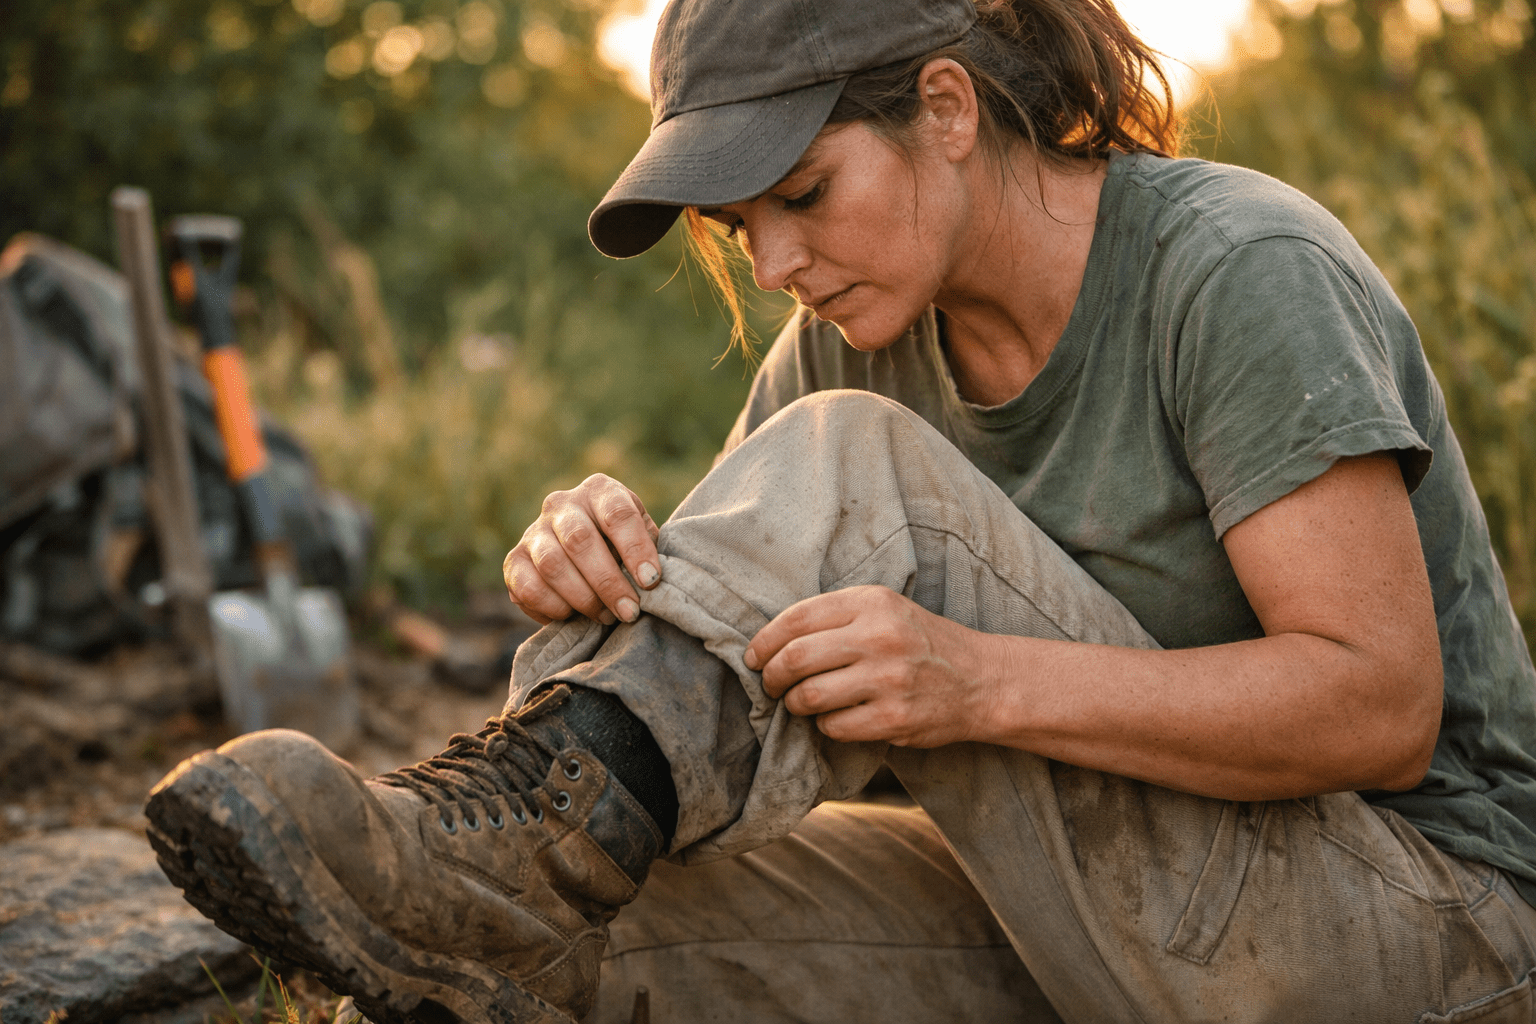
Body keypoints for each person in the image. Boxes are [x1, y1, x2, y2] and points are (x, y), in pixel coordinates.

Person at [145, 0, 1536, 1020]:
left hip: (1432, 932)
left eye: (804, 194)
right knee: (568, 953)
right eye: (743, 228)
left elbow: (1377, 703)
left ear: (946, 107)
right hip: (1096, 922)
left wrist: (978, 683)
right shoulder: (848, 338)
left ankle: (512, 840)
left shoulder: (1235, 270)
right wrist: (591, 566)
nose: (780, 264)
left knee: (863, 480)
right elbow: (736, 696)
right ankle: (502, 834)